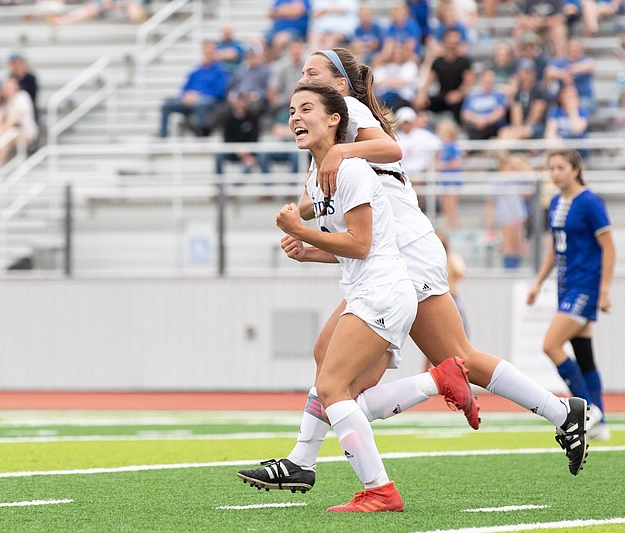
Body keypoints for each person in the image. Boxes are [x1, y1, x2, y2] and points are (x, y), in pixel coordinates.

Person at [236, 48, 595, 495]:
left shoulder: (345, 116)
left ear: (340, 87)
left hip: (403, 253)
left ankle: (554, 410)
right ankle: (303, 460)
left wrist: (327, 177)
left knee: (435, 362)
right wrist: (304, 217)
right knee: (332, 362)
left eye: (314, 74)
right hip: (387, 257)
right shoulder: (332, 142)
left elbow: (392, 148)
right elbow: (330, 202)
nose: (303, 80)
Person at [253, 83, 429, 511]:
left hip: (381, 292)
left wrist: (301, 232)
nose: (295, 117)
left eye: (306, 108)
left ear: (335, 119)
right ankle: (438, 381)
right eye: (291, 110)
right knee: (343, 392)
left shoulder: (350, 170)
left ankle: (380, 490)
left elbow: (361, 244)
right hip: (372, 290)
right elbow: (349, 251)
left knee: (331, 387)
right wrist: (308, 252)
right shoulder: (317, 177)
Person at [527, 149, 615, 441]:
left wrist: (604, 291)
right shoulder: (555, 202)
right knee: (585, 356)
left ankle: (587, 411)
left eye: (561, 167)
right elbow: (555, 246)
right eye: (551, 168)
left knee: (551, 345)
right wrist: (538, 283)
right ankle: (600, 419)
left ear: (576, 169)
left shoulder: (590, 202)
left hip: (585, 286)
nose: (555, 173)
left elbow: (609, 247)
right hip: (567, 286)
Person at [159, 40, 228, 138]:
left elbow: (219, 92)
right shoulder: (195, 71)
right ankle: (163, 136)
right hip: (190, 102)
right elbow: (184, 89)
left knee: (200, 104)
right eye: (205, 53)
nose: (207, 55)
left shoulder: (220, 71)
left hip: (209, 102)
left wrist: (198, 96)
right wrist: (186, 97)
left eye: (210, 53)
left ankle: (201, 135)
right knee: (166, 104)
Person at [414, 28, 474, 124]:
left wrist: (459, 93)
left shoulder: (464, 61)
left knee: (459, 106)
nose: (454, 41)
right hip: (443, 96)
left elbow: (468, 81)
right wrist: (421, 94)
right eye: (451, 37)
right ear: (445, 40)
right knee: (420, 103)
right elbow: (428, 80)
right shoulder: (438, 62)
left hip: (459, 97)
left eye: (456, 38)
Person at [485, 154, 531, 270]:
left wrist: (520, 165)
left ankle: (515, 268)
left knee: (518, 245)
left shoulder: (516, 179)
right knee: (508, 245)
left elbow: (528, 191)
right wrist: (490, 218)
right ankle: (509, 270)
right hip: (505, 216)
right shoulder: (497, 180)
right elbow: (490, 201)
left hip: (518, 215)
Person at [0, 76, 38, 166]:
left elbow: (12, 120)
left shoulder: (22, 96)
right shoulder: (4, 103)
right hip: (10, 132)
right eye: (6, 88)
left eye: (10, 87)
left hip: (27, 133)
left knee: (8, 135)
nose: (7, 90)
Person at [435, 120, 464, 230]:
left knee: (452, 205)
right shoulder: (442, 147)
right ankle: (448, 226)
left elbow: (458, 162)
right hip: (444, 179)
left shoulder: (453, 146)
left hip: (452, 179)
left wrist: (444, 165)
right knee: (445, 204)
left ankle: (455, 226)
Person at [45, 0, 149, 25]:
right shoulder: (139, 2)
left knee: (92, 9)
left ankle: (62, 19)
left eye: (129, 15)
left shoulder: (124, 5)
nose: (129, 13)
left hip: (99, 6)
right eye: (132, 13)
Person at [7, 53, 38, 120]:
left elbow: (32, 98)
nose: (16, 67)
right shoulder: (11, 78)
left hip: (26, 111)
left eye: (18, 64)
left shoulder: (30, 79)